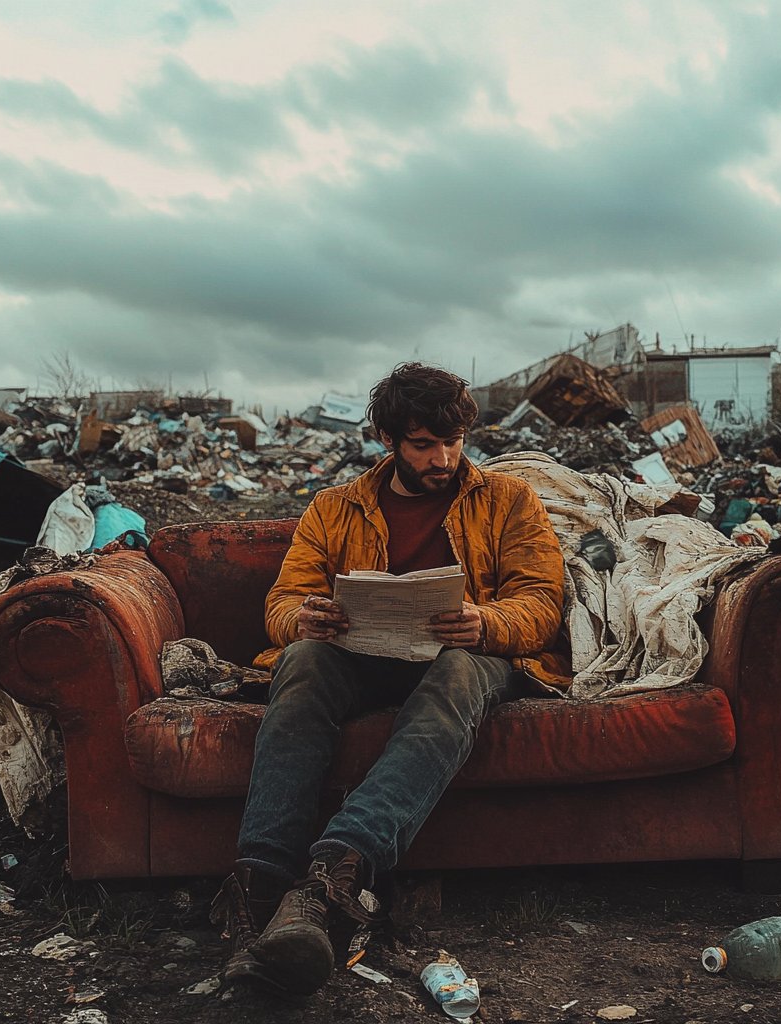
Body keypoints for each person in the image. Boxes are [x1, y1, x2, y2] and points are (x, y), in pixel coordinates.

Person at [215, 362, 565, 996]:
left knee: (457, 672)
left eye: (453, 442)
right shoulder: (334, 507)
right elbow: (283, 602)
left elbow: (542, 601)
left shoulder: (509, 500)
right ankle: (259, 890)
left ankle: (330, 882)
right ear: (388, 440)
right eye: (424, 444)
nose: (443, 459)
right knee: (302, 660)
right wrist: (303, 618)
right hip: (364, 658)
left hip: (466, 657)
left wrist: (485, 622)